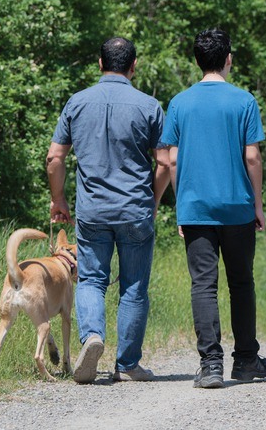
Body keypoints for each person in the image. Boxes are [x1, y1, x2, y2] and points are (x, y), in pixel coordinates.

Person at [46, 37, 167, 384]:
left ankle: (92, 338)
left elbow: (55, 157)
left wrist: (59, 200)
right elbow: (165, 163)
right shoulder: (149, 106)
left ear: (100, 64)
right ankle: (127, 365)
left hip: (93, 211)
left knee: (92, 280)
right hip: (135, 210)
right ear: (134, 66)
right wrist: (153, 201)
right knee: (133, 286)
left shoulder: (77, 102)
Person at [159, 28, 266, 389]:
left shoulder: (179, 103)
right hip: (238, 207)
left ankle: (210, 365)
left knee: (203, 285)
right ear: (229, 59)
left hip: (196, 207)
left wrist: (182, 205)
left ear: (197, 60)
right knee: (241, 283)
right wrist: (257, 204)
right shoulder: (244, 101)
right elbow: (252, 157)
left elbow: (171, 160)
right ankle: (245, 361)